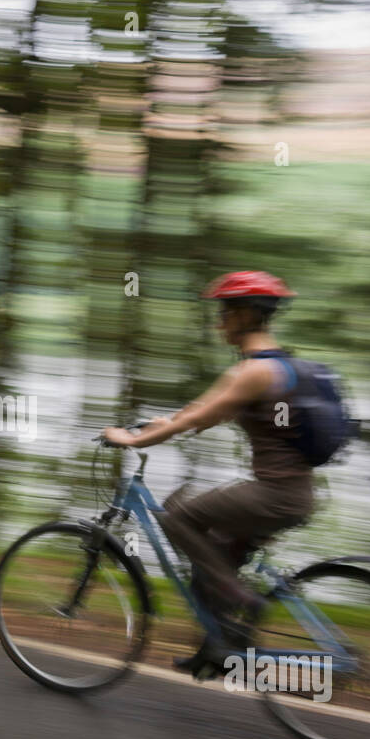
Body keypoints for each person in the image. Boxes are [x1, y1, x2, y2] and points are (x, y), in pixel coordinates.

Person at [101, 270, 314, 676]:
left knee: (178, 518)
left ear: (248, 314)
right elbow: (204, 413)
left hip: (274, 496)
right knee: (201, 536)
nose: (219, 322)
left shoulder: (251, 371)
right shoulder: (279, 365)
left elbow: (193, 419)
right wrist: (162, 422)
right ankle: (217, 648)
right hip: (291, 494)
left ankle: (241, 598)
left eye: (226, 312)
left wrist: (130, 441)